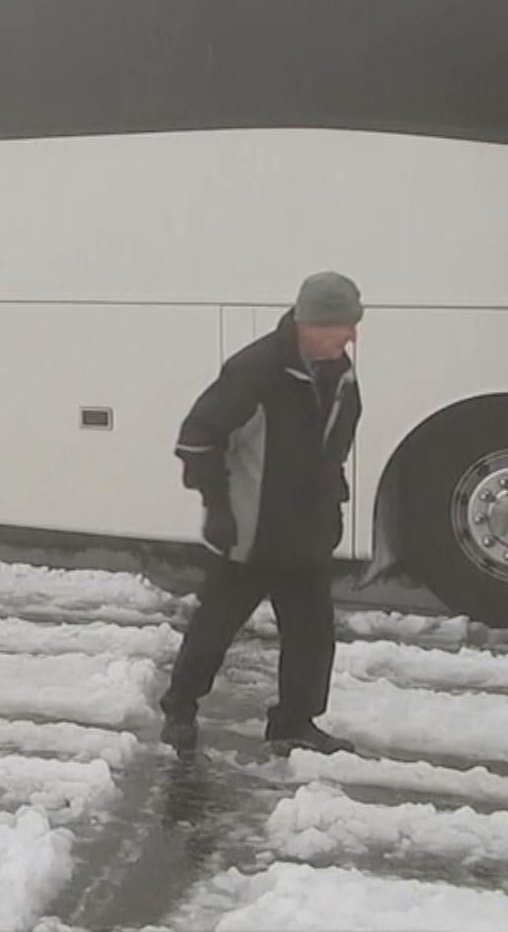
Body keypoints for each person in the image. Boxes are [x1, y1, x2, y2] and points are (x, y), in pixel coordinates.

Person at [160, 271, 364, 757]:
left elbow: (329, 448)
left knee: (312, 636)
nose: (352, 336)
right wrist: (217, 505)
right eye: (343, 325)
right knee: (215, 629)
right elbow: (197, 437)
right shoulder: (257, 370)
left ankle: (294, 723)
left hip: (305, 533)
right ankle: (180, 709)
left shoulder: (339, 373)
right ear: (312, 323)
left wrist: (331, 497)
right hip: (249, 533)